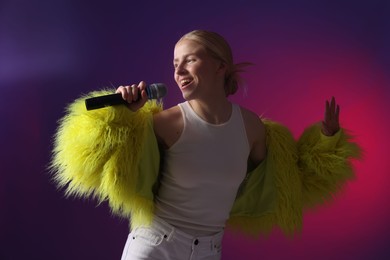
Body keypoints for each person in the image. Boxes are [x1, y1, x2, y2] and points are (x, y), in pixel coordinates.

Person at [50, 30, 361, 260]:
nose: (179, 72)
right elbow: (93, 161)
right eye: (175, 64)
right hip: (155, 246)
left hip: (209, 250)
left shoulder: (251, 128)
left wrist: (327, 140)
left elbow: (290, 181)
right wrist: (119, 115)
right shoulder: (165, 123)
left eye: (190, 60)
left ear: (220, 66)